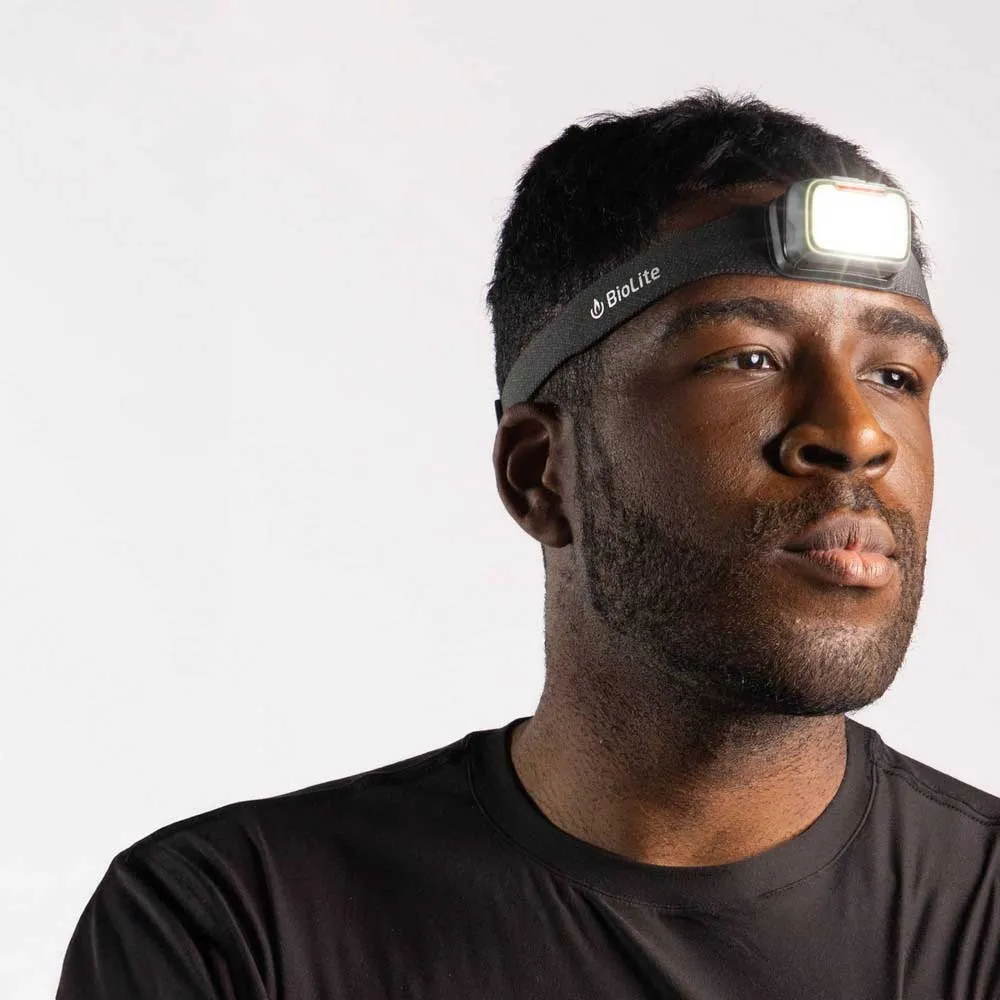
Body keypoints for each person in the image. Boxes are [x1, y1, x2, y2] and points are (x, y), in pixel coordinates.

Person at [57, 88, 999, 998]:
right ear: (541, 473)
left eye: (895, 375)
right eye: (747, 358)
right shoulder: (235, 930)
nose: (858, 434)